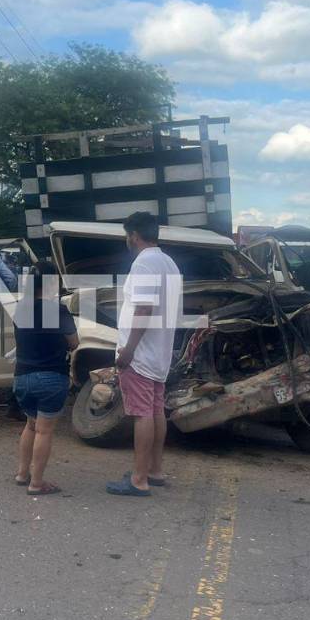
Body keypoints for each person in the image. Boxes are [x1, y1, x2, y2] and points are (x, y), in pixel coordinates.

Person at [106, 212, 181, 497]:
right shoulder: (169, 263)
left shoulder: (144, 264)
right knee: (155, 411)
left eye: (127, 235)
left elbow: (144, 309)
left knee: (141, 415)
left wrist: (128, 350)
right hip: (159, 352)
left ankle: (139, 479)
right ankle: (154, 470)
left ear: (134, 235)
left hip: (141, 354)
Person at [11, 261, 78, 496]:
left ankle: (22, 474)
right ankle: (37, 483)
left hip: (22, 378)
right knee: (44, 431)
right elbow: (74, 343)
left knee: (30, 425)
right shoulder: (57, 310)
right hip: (51, 378)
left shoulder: (21, 308)